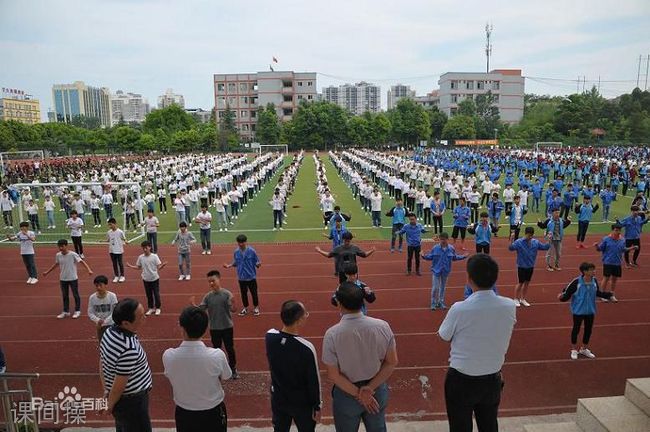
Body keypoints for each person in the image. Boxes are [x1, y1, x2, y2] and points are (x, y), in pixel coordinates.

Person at [438, 254, 516, 432]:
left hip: (461, 379)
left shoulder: (460, 308)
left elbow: (444, 335)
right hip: (492, 378)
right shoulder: (509, 306)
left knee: (460, 427)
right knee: (489, 424)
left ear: (469, 279)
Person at [322, 281, 398, 432]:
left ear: (339, 304)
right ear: (362, 301)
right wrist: (368, 390)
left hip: (347, 394)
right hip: (376, 390)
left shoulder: (332, 334)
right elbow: (391, 362)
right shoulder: (383, 326)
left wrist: (359, 394)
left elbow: (333, 374)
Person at [163, 306, 232, 432]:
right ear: (205, 329)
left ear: (182, 328)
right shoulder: (217, 355)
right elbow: (227, 376)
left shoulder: (169, 356)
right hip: (213, 412)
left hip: (185, 413)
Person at [266, 300, 322, 432]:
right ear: (299, 320)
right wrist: (317, 406)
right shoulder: (306, 347)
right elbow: (313, 380)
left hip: (279, 398)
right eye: (305, 315)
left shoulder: (269, 337)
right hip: (302, 403)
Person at [100, 298, 153, 432]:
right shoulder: (129, 348)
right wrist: (110, 405)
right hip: (132, 402)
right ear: (126, 323)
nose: (145, 317)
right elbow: (119, 384)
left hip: (122, 401)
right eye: (141, 316)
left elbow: (102, 362)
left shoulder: (108, 332)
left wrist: (106, 390)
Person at [558, 262, 613, 360]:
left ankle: (584, 348)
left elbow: (598, 293)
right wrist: (561, 298)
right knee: (576, 329)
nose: (594, 271)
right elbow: (567, 293)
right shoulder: (576, 282)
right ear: (585, 271)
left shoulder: (594, 281)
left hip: (590, 310)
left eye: (594, 269)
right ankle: (574, 349)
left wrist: (608, 295)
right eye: (592, 270)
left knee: (588, 330)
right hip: (578, 311)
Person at [192, 269, 239, 379]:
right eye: (209, 281)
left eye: (213, 281)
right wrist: (194, 306)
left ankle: (233, 368)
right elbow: (202, 309)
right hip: (214, 328)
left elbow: (233, 310)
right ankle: (218, 369)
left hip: (227, 326)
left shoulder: (227, 294)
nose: (211, 283)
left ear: (219, 279)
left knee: (229, 348)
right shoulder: (208, 296)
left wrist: (233, 304)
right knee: (216, 350)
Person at [42, 238, 93, 319]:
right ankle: (66, 311)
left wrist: (89, 270)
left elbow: (82, 262)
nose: (60, 248)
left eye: (62, 246)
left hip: (73, 278)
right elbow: (56, 264)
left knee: (75, 294)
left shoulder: (73, 254)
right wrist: (47, 272)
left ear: (66, 246)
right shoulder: (58, 255)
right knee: (65, 295)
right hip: (63, 278)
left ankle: (77, 310)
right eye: (59, 247)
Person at [422, 232, 467, 310]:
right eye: (441, 239)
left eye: (444, 239)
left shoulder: (451, 248)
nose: (442, 241)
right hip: (436, 270)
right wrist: (423, 256)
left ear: (447, 239)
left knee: (443, 287)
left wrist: (463, 256)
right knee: (435, 287)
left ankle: (441, 302)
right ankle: (433, 302)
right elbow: (430, 257)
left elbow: (454, 257)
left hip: (445, 270)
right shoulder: (435, 248)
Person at [594, 223, 638, 303]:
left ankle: (612, 295)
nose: (618, 232)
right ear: (612, 230)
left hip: (617, 263)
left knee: (614, 279)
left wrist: (632, 248)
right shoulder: (606, 239)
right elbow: (600, 249)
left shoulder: (622, 239)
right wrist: (597, 246)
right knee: (606, 278)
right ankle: (603, 295)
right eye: (616, 230)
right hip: (608, 262)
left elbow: (623, 249)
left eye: (619, 230)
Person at [508, 227, 551, 307]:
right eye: (529, 235)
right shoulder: (519, 242)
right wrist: (511, 239)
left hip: (530, 266)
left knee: (527, 283)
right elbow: (510, 248)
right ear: (525, 234)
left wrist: (548, 239)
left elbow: (545, 247)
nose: (530, 237)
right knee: (520, 283)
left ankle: (523, 298)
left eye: (531, 235)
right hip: (521, 266)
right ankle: (515, 299)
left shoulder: (536, 242)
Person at [223, 234, 262, 316]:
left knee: (254, 293)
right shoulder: (236, 252)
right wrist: (229, 266)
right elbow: (236, 262)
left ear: (246, 242)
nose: (241, 244)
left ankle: (256, 308)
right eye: (239, 243)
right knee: (243, 294)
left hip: (251, 276)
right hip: (241, 277)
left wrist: (258, 264)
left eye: (242, 242)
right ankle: (245, 308)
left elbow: (257, 261)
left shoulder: (252, 251)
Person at [127, 241, 167, 316]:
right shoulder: (141, 257)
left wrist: (163, 265)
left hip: (154, 278)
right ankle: (151, 308)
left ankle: (158, 308)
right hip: (145, 279)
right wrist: (130, 266)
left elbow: (159, 267)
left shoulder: (154, 256)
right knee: (148, 294)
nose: (145, 249)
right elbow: (138, 267)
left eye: (146, 248)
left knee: (156, 294)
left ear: (150, 247)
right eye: (143, 248)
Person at [88, 275, 118, 341]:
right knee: (102, 341)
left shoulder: (112, 296)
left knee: (113, 341)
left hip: (111, 324)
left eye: (100, 285)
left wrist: (105, 321)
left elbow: (115, 311)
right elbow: (90, 313)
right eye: (96, 286)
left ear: (106, 285)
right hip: (99, 325)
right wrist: (98, 320)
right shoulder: (92, 298)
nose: (98, 287)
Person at [106, 218, 127, 283]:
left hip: (119, 250)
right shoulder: (109, 232)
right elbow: (108, 240)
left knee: (120, 263)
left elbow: (124, 238)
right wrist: (102, 241)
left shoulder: (120, 232)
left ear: (115, 224)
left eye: (111, 224)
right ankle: (116, 275)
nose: (110, 226)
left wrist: (126, 241)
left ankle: (122, 276)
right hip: (112, 250)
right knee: (114, 263)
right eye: (109, 225)